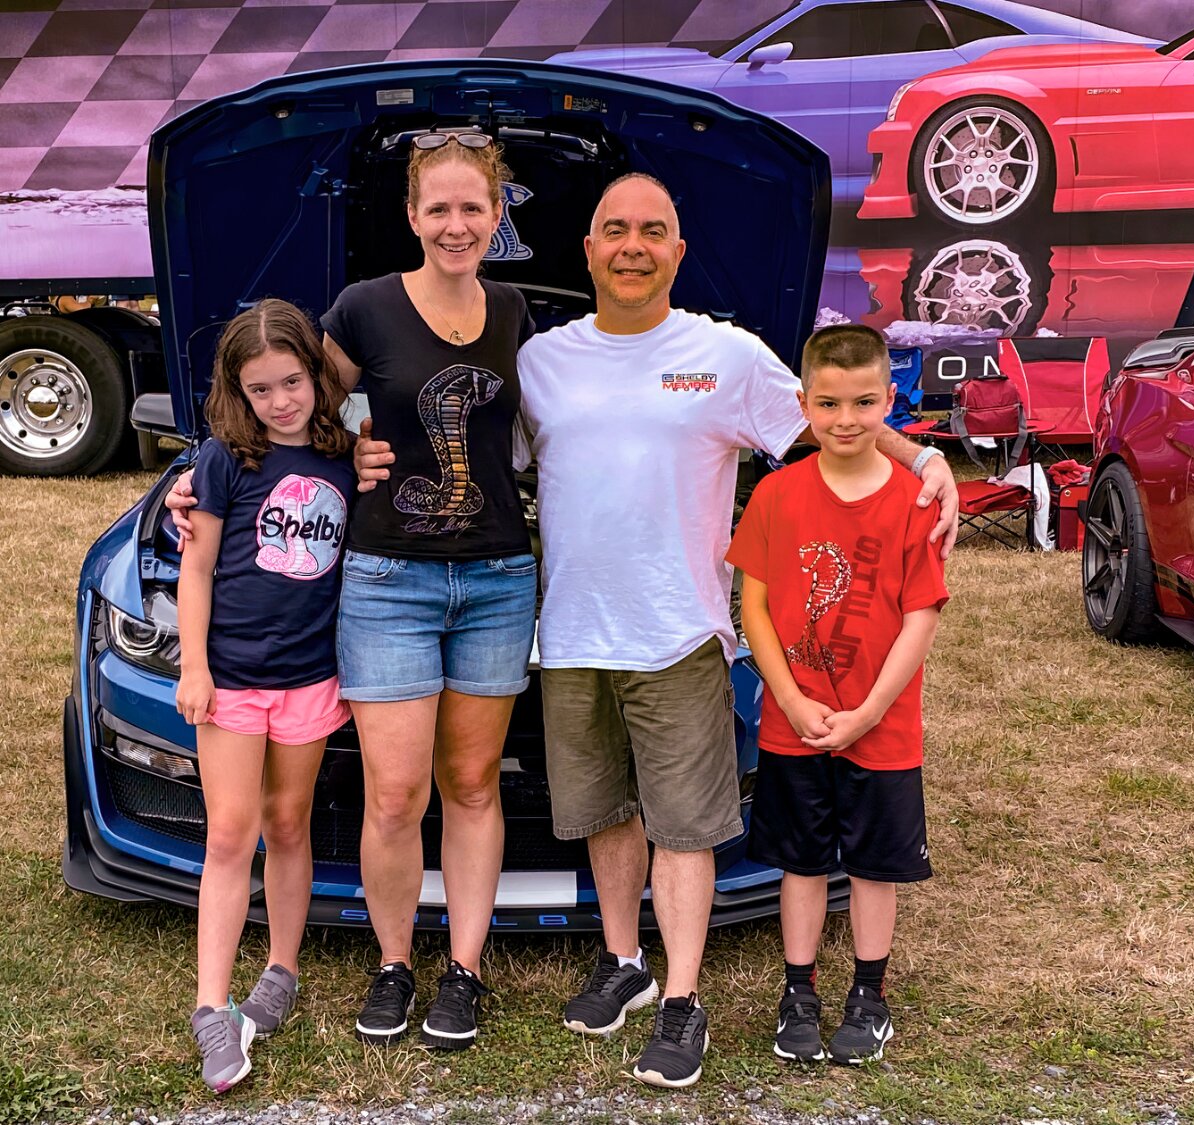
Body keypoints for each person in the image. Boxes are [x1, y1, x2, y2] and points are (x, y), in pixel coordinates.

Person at [354, 173, 959, 1087]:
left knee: (683, 825)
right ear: (587, 250)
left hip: (678, 633)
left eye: (652, 231)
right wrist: (359, 445)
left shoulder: (725, 355)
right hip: (571, 634)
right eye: (615, 230)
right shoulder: (543, 360)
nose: (632, 246)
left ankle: (683, 1000)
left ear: (678, 251)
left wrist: (921, 456)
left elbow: (826, 419)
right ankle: (624, 961)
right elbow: (463, 439)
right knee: (606, 811)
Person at [169, 129, 536, 1052]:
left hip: (497, 575)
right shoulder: (365, 307)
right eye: (438, 208)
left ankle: (464, 971)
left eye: (473, 207)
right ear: (412, 215)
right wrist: (196, 483)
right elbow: (289, 414)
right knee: (395, 793)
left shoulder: (514, 310)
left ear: (498, 214)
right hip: (387, 579)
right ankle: (394, 962)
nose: (456, 224)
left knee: (472, 783)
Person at [726, 324, 947, 1066]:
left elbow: (920, 616)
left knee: (876, 866)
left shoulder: (914, 500)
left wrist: (870, 711)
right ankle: (799, 992)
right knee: (802, 862)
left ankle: (869, 996)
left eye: (862, 403)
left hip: (882, 726)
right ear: (803, 405)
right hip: (797, 723)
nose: (845, 419)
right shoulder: (777, 493)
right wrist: (790, 701)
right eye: (827, 404)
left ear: (890, 400)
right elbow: (755, 608)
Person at [174, 299, 356, 1093]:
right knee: (230, 832)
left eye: (291, 382)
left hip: (311, 677)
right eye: (260, 389)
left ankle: (281, 968)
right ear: (237, 392)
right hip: (234, 679)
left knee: (287, 822)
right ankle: (211, 1007)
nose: (280, 401)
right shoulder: (224, 461)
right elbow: (198, 568)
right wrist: (195, 667)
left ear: (315, 375)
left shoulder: (345, 457)